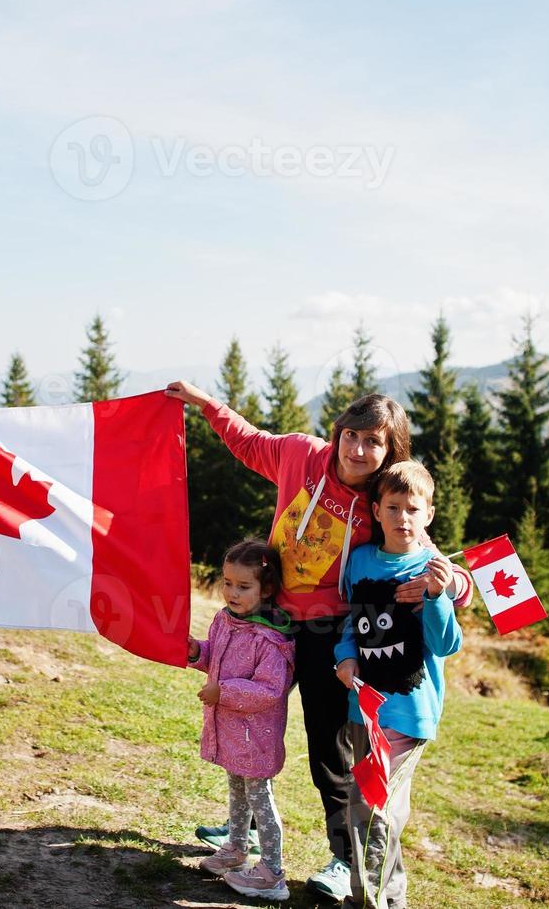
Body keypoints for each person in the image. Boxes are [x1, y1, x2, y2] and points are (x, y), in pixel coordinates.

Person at [165, 380, 473, 901]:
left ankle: (342, 857)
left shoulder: (382, 506)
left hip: (331, 639)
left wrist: (457, 587)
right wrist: (205, 405)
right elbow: (246, 439)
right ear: (337, 433)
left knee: (328, 749)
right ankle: (243, 827)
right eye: (351, 435)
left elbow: (431, 559)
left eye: (373, 442)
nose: (357, 450)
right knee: (245, 720)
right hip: (271, 620)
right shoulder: (299, 455)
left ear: (390, 451)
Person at [333, 460, 462, 909]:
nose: (402, 517)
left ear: (428, 514)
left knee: (374, 808)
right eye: (393, 507)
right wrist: (345, 656)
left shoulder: (434, 568)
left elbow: (446, 644)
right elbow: (355, 623)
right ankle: (392, 897)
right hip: (363, 710)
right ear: (377, 510)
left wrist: (436, 596)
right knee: (371, 808)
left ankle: (365, 901)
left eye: (413, 508)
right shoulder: (362, 559)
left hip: (409, 712)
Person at [188, 539, 295, 902]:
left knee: (259, 797)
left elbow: (269, 690)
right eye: (228, 582)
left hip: (257, 734)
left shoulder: (270, 638)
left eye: (243, 586)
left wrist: (224, 692)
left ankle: (272, 871)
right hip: (234, 731)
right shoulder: (225, 620)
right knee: (236, 788)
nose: (232, 592)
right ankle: (235, 847)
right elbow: (215, 658)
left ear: (265, 589)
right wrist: (196, 652)